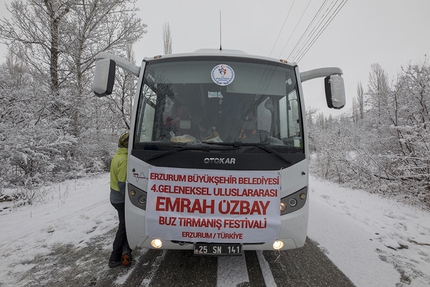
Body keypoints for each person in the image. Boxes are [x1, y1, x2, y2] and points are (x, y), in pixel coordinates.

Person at [108, 133, 132, 268]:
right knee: (123, 227)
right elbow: (123, 184)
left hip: (115, 197)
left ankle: (126, 252)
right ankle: (114, 257)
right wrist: (131, 201)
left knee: (125, 225)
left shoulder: (118, 155)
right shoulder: (125, 159)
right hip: (121, 199)